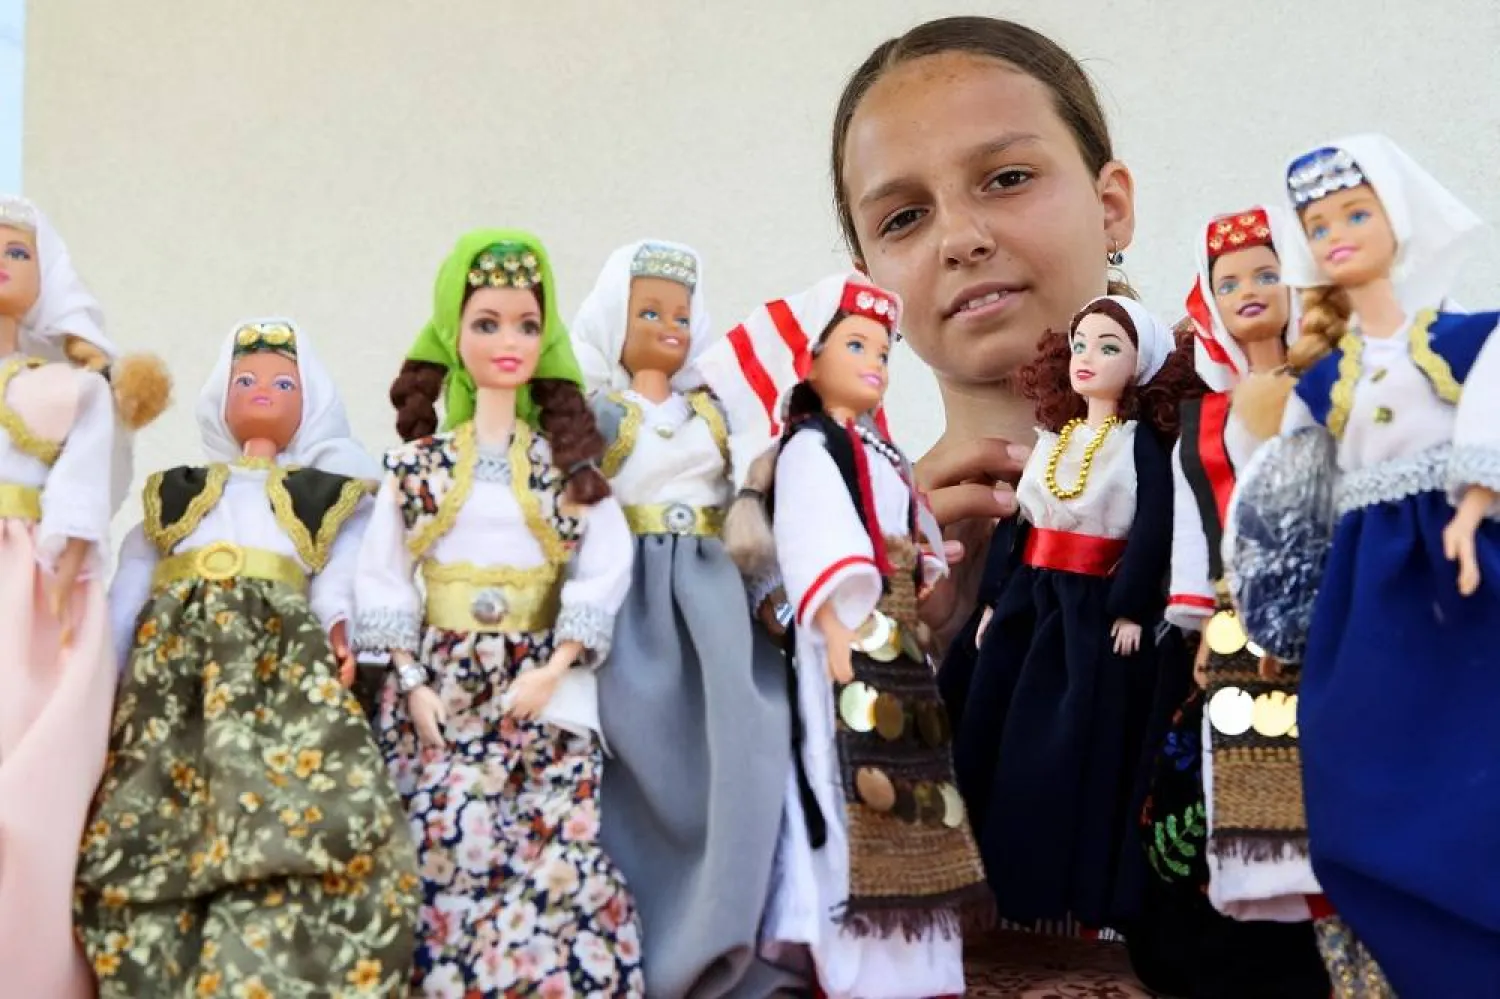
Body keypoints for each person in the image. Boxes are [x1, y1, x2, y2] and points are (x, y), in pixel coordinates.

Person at [76, 318, 419, 997]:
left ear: (310, 399)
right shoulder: (176, 488)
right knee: (160, 807)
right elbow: (132, 578)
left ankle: (279, 952)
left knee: (286, 804)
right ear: (219, 396)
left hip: (277, 663)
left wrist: (342, 629)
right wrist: (102, 669)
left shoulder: (325, 493)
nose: (262, 390)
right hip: (172, 670)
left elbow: (340, 572)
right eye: (246, 379)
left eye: (282, 381)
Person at [1234, 134, 1498, 997]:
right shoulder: (1322, 380)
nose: (1336, 234)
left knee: (1472, 765)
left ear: (1401, 219)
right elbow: (1288, 491)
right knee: (1355, 777)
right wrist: (1276, 601)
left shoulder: (1466, 341)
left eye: (1355, 214)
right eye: (1318, 224)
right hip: (1364, 596)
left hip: (1462, 581)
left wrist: (1475, 502)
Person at [360, 230, 646, 996]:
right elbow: (383, 577)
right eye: (486, 322)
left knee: (556, 856)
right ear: (453, 336)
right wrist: (413, 680)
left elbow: (605, 560)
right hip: (442, 687)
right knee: (444, 839)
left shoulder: (564, 470)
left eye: (526, 323)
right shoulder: (417, 468)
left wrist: (556, 666)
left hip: (538, 688)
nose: (509, 340)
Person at [829, 15, 1139, 658]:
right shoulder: (840, 566)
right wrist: (896, 643)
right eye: (905, 217)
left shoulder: (1255, 452)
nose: (961, 238)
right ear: (872, 290)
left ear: (1110, 206)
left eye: (1008, 178)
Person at [570, 240, 795, 998]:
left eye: (680, 312)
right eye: (649, 312)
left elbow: (745, 507)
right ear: (613, 322)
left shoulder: (717, 413)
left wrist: (771, 590)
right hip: (629, 599)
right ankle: (635, 942)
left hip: (712, 598)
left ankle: (735, 941)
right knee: (634, 767)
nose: (669, 324)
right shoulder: (598, 416)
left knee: (747, 746)